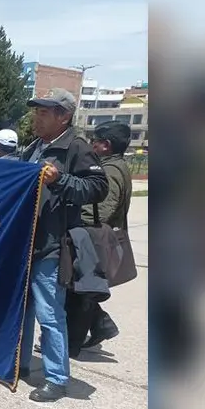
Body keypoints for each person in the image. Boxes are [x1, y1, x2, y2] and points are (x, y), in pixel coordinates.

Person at [17, 87, 108, 402]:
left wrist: (61, 179)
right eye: (36, 112)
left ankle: (56, 378)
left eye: (44, 112)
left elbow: (98, 187)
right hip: (27, 242)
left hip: (53, 244)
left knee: (49, 313)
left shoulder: (76, 147)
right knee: (23, 309)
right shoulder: (34, 147)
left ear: (64, 117)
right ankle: (21, 364)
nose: (37, 118)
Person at [79, 120, 133, 350]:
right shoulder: (115, 165)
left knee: (79, 290)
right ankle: (102, 325)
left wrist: (73, 213)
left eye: (95, 141)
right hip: (99, 240)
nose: (92, 145)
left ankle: (72, 338)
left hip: (95, 241)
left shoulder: (109, 171)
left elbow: (101, 210)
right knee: (82, 290)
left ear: (106, 145)